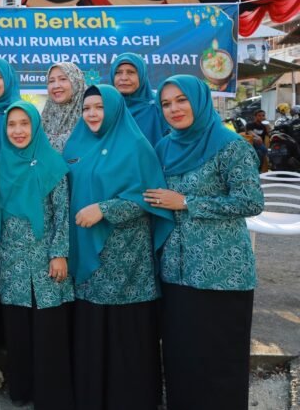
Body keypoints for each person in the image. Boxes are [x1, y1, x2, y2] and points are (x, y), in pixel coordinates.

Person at [144, 75, 263, 410]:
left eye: (181, 100)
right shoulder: (164, 148)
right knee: (182, 355)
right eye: (166, 103)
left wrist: (187, 202)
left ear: (199, 100)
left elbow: (251, 201)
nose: (174, 109)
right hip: (176, 270)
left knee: (220, 358)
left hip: (222, 273)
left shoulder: (230, 145)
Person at [63, 84, 173, 410]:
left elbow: (150, 197)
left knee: (125, 327)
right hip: (85, 248)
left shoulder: (136, 145)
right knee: (92, 324)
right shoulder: (76, 143)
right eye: (86, 108)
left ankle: (131, 399)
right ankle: (92, 396)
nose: (92, 114)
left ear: (113, 108)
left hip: (126, 257)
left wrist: (105, 209)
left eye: (99, 107)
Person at [0, 100, 74, 410]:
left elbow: (62, 213)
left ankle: (50, 395)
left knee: (48, 329)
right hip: (11, 261)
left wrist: (59, 253)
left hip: (45, 260)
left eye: (24, 124)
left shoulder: (52, 163)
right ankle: (22, 389)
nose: (18, 131)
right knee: (17, 329)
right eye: (12, 125)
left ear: (36, 127)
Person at [109, 52, 169, 146]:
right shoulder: (106, 108)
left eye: (131, 72)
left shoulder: (158, 108)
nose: (124, 78)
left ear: (142, 75)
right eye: (118, 73)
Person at [41, 62, 86, 152]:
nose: (56, 86)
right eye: (51, 81)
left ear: (76, 81)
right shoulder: (45, 117)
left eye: (63, 79)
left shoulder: (90, 114)